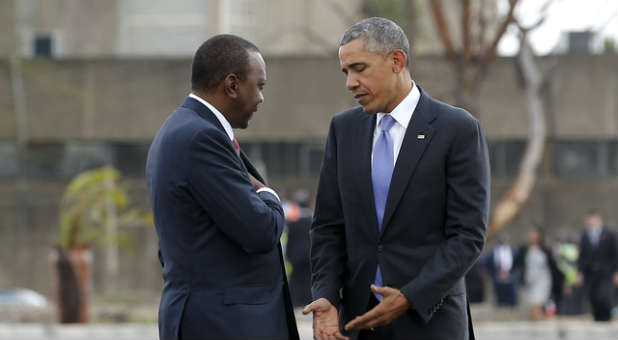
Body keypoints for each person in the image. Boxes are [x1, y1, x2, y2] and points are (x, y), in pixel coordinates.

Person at [304, 17, 490, 340]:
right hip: (357, 325)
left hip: (431, 323)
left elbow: (468, 235)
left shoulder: (457, 129)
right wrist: (326, 294)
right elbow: (327, 226)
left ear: (396, 61)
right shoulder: (343, 130)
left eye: (359, 68)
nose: (350, 83)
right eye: (346, 72)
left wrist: (410, 296)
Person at [146, 34, 299, 340]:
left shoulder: (181, 129)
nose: (261, 98)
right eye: (259, 85)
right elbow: (261, 231)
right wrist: (269, 195)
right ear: (232, 85)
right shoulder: (201, 138)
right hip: (222, 323)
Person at [512, 227, 563, 321]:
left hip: (542, 280)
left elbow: (553, 266)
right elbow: (516, 263)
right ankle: (538, 322)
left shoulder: (545, 250)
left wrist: (562, 280)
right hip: (528, 280)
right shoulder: (524, 249)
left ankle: (539, 323)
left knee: (536, 303)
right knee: (532, 305)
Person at [576, 210, 618, 321]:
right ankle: (598, 319)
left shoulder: (609, 234)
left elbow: (615, 253)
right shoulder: (585, 235)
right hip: (591, 273)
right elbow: (582, 256)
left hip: (606, 272)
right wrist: (579, 272)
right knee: (593, 298)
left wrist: (616, 271)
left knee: (603, 296)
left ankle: (607, 317)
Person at [285, 189, 314, 307]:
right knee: (309, 279)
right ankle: (310, 299)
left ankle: (296, 301)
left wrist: (288, 254)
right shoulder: (314, 220)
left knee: (296, 279)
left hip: (295, 256)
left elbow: (289, 240)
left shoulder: (292, 223)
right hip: (310, 255)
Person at [487, 234, 518, 307]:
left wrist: (509, 273)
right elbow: (488, 264)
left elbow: (517, 263)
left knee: (511, 300)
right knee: (499, 300)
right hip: (498, 277)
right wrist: (494, 274)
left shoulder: (513, 250)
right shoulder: (493, 252)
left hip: (510, 277)